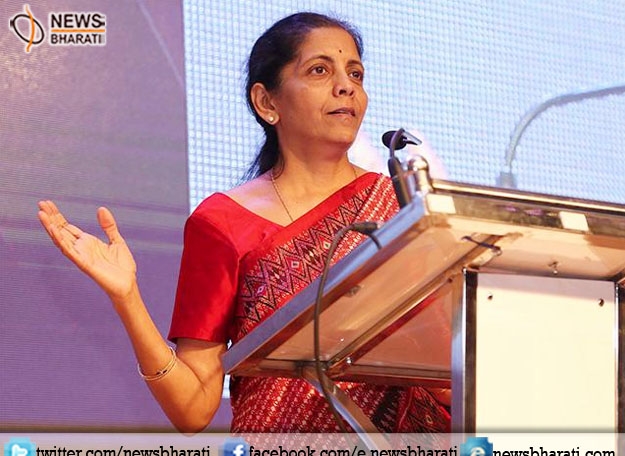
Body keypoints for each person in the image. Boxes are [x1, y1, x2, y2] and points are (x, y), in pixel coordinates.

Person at [38, 12, 450, 433]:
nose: (346, 86)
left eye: (355, 74)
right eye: (319, 70)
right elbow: (194, 409)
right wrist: (127, 298)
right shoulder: (222, 222)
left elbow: (456, 367)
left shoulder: (404, 207)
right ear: (267, 102)